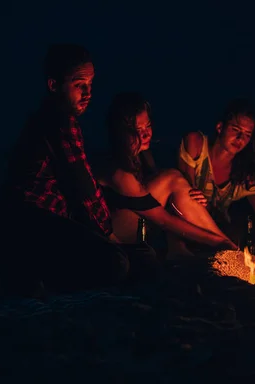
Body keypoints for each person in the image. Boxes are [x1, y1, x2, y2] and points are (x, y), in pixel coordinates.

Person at [0, 44, 129, 297]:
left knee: (123, 257)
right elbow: (82, 185)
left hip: (18, 226)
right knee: (117, 263)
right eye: (80, 85)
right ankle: (39, 279)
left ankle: (32, 276)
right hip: (29, 224)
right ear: (54, 85)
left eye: (90, 84)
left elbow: (80, 182)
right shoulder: (59, 121)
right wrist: (108, 233)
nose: (88, 93)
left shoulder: (47, 118)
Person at [97, 92, 237, 261]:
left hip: (140, 228)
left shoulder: (143, 156)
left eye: (148, 126)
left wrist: (188, 198)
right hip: (110, 241)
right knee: (171, 178)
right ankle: (229, 248)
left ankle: (191, 249)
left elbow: (165, 205)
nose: (147, 135)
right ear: (121, 133)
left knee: (177, 187)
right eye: (137, 130)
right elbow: (163, 220)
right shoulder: (117, 169)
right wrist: (217, 242)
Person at [176, 98, 255, 254]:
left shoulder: (243, 172)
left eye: (247, 135)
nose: (240, 139)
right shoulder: (197, 144)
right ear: (220, 127)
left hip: (219, 231)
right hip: (185, 227)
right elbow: (184, 194)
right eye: (235, 129)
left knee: (238, 233)